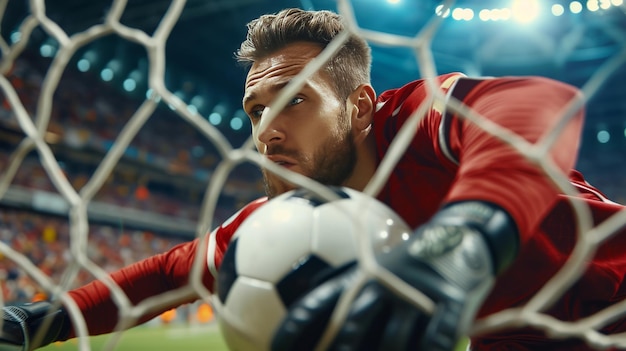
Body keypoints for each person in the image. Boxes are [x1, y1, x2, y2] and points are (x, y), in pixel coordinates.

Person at [1, 7, 625, 351]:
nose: (266, 131)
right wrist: (43, 318)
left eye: (292, 100)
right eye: (254, 111)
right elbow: (169, 273)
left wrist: (467, 234)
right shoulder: (292, 222)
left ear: (358, 108)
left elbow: (536, 104)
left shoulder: (415, 119)